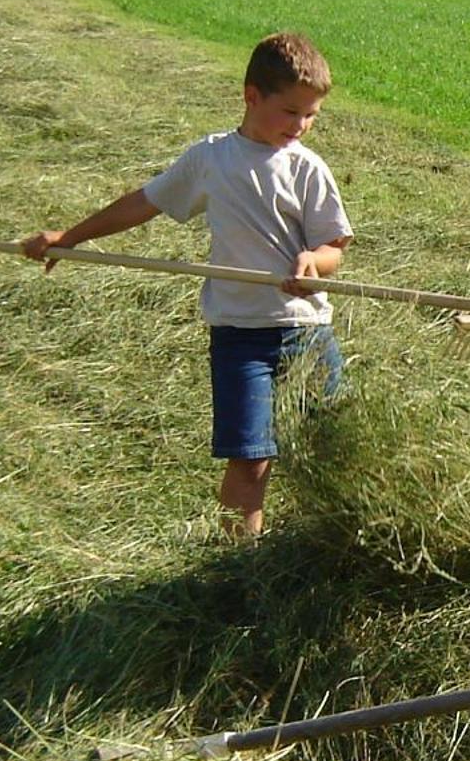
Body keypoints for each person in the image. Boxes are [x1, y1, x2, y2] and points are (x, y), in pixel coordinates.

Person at [20, 32, 352, 538]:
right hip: (241, 337)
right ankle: (240, 566)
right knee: (251, 459)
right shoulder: (211, 159)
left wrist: (313, 262)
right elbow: (144, 202)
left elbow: (334, 247)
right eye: (291, 112)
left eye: (312, 116)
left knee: (332, 447)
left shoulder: (308, 169)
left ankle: (329, 546)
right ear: (251, 95)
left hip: (306, 330)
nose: (301, 126)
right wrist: (72, 236)